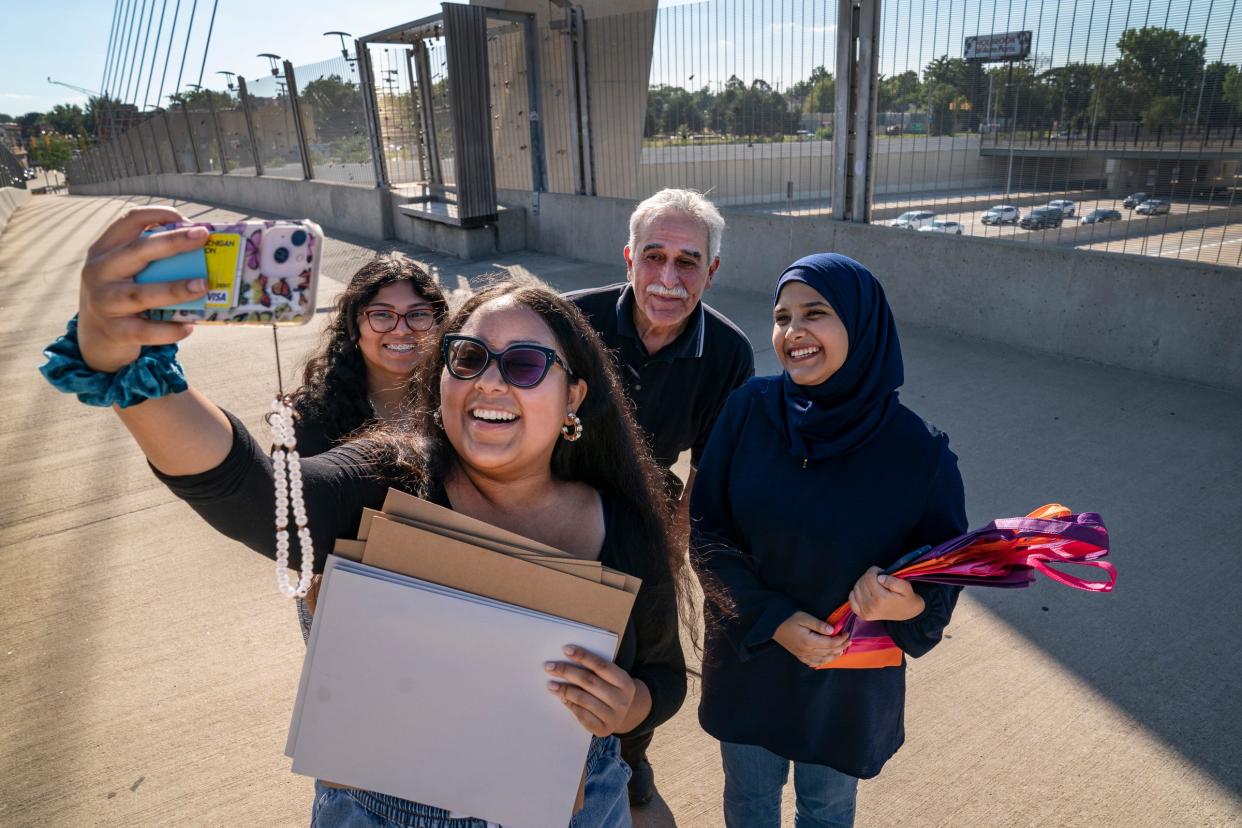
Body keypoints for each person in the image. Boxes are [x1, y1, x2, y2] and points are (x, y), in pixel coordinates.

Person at [49, 207, 689, 828]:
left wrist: (630, 704)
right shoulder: (385, 481)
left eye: (524, 364)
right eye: (467, 358)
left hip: (572, 807)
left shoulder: (626, 525)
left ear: (573, 394)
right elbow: (252, 490)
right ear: (441, 381)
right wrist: (131, 364)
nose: (491, 382)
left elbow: (662, 677)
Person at [689, 253, 968, 828]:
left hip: (846, 684)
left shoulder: (919, 454)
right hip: (753, 658)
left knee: (827, 809)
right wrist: (774, 621)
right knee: (750, 803)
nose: (794, 333)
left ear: (861, 323)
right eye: (782, 316)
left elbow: (941, 579)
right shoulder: (747, 411)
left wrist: (905, 602)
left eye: (815, 313)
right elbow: (707, 535)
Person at [566, 188, 754, 805]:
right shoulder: (568, 321)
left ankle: (630, 754)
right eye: (654, 257)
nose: (668, 279)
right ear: (628, 259)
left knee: (644, 647)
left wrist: (669, 555)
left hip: (649, 500)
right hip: (555, 486)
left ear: (712, 271)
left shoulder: (728, 353)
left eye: (688, 262)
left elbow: (708, 467)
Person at [289, 253, 448, 456]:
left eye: (417, 314)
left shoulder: (460, 400)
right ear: (353, 327)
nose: (401, 330)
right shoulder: (312, 417)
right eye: (382, 314)